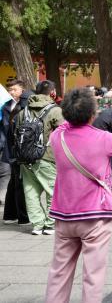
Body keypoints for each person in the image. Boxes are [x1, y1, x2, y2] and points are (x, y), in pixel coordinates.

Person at [45, 89, 112, 303]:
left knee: (59, 272)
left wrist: (74, 111)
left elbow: (64, 124)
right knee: (93, 275)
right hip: (95, 215)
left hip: (64, 214)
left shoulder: (57, 136)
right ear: (92, 114)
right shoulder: (102, 138)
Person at [13, 80, 64, 235]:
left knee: (31, 193)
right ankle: (50, 224)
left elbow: (15, 134)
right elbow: (64, 133)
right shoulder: (55, 111)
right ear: (53, 93)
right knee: (52, 191)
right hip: (47, 157)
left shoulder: (23, 112)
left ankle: (37, 225)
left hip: (25, 158)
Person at [1, 79, 31, 225]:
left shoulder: (24, 104)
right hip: (12, 148)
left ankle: (9, 215)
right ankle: (22, 217)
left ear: (22, 90)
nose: (12, 92)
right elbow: (7, 129)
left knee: (14, 181)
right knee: (18, 182)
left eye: (15, 89)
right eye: (10, 90)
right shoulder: (7, 106)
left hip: (17, 148)